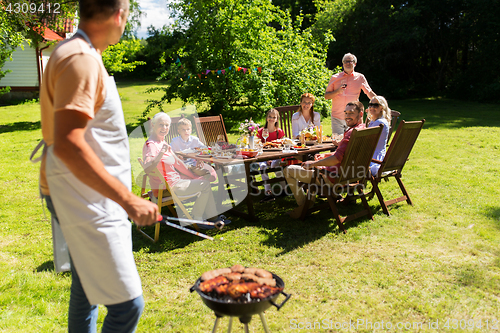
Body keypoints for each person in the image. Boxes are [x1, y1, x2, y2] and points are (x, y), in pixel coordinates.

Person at [39, 0, 158, 331]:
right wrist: (129, 200)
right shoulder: (80, 59)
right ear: (119, 14)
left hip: (82, 188)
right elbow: (68, 143)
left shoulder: (80, 53)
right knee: (127, 305)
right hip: (84, 196)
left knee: (85, 289)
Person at [284, 101, 366, 219]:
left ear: (361, 114)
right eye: (346, 113)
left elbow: (337, 158)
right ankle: (308, 202)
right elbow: (344, 154)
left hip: (333, 178)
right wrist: (325, 156)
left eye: (351, 113)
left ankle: (305, 206)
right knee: (315, 168)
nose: (347, 116)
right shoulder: (363, 130)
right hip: (352, 175)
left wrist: (314, 163)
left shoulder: (351, 134)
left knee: (288, 170)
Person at [142, 112, 225, 227]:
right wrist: (161, 153)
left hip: (173, 182)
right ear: (153, 125)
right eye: (161, 125)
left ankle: (212, 217)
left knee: (203, 180)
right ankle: (197, 219)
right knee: (205, 185)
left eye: (167, 125)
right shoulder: (151, 145)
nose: (164, 128)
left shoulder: (162, 142)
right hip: (166, 187)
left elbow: (178, 163)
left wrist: (194, 175)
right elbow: (147, 168)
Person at [324, 53, 376, 136]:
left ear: (355, 64)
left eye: (350, 61)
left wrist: (379, 103)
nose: (347, 63)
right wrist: (337, 91)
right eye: (345, 61)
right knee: (337, 143)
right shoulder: (335, 77)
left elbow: (369, 92)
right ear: (343, 63)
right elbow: (326, 96)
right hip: (337, 117)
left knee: (354, 143)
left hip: (354, 117)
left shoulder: (360, 77)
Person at [256, 109, 287, 202]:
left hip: (277, 156)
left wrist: (272, 158)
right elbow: (257, 146)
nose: (271, 119)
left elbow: (282, 146)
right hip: (264, 156)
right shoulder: (261, 131)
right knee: (262, 166)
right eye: (270, 116)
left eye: (274, 117)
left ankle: (284, 189)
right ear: (266, 118)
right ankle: (268, 192)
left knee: (274, 165)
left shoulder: (279, 132)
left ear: (277, 119)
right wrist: (266, 158)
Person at [366, 96, 391, 175]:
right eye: (370, 105)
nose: (372, 107)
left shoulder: (379, 123)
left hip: (374, 160)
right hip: (379, 156)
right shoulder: (378, 120)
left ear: (382, 108)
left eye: (375, 105)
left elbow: (367, 141)